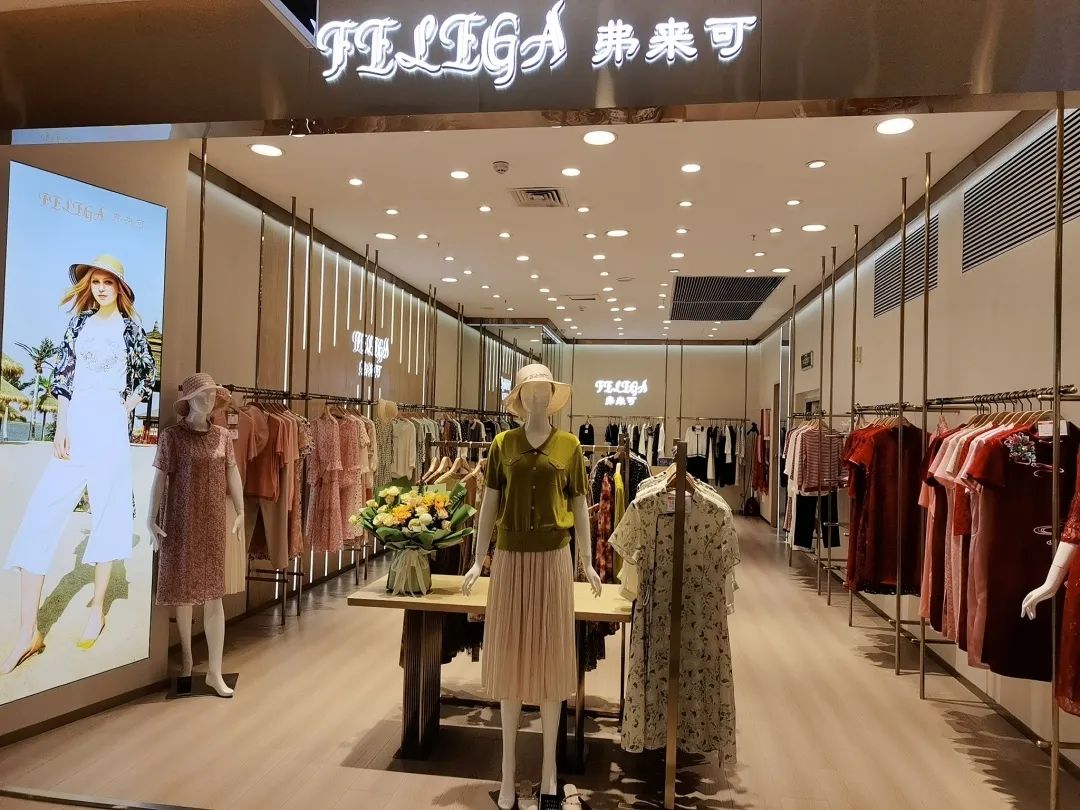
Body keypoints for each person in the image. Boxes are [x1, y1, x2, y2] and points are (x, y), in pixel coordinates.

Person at [1, 255, 156, 674]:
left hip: (110, 430)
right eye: (96, 282)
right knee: (39, 516)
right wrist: (61, 427)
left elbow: (147, 376)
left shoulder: (131, 330)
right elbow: (64, 379)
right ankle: (27, 632)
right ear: (89, 285)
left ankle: (97, 611)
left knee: (107, 513)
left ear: (120, 288)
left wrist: (123, 409)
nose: (101, 288)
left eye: (109, 282)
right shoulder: (78, 324)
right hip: (76, 428)